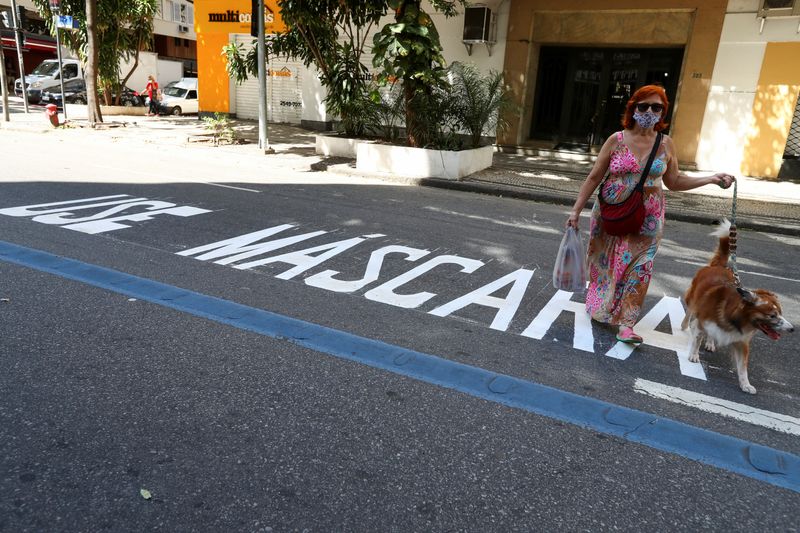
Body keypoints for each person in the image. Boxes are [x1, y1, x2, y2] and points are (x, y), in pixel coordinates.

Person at [566, 84, 735, 344]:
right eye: (643, 106)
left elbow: (675, 180)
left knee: (640, 268)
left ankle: (626, 324)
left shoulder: (666, 144)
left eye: (656, 107)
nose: (649, 111)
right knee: (608, 264)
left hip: (649, 217)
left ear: (662, 112)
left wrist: (711, 179)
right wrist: (576, 210)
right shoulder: (616, 139)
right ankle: (602, 306)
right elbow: (594, 176)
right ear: (633, 108)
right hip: (611, 212)